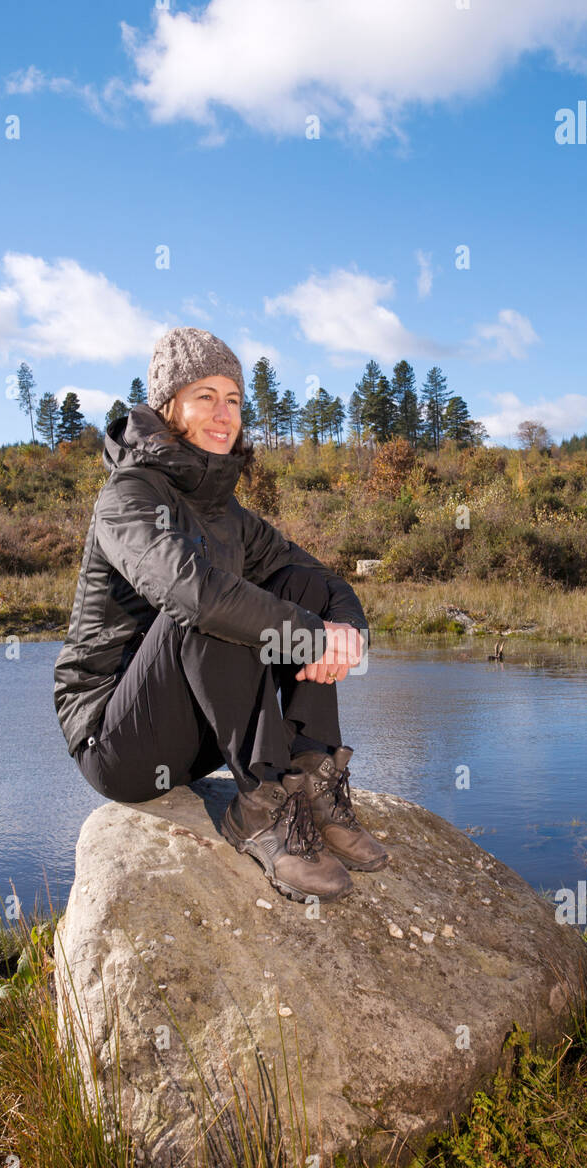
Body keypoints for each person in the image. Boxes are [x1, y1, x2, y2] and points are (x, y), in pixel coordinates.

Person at [53, 326, 388, 904]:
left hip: (200, 730)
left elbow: (318, 581)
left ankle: (310, 778)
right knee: (209, 602)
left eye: (233, 399)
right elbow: (193, 595)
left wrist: (348, 633)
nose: (223, 413)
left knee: (299, 587)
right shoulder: (127, 497)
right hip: (117, 737)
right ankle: (259, 807)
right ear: (168, 406)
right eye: (204, 396)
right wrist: (310, 638)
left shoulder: (227, 512)